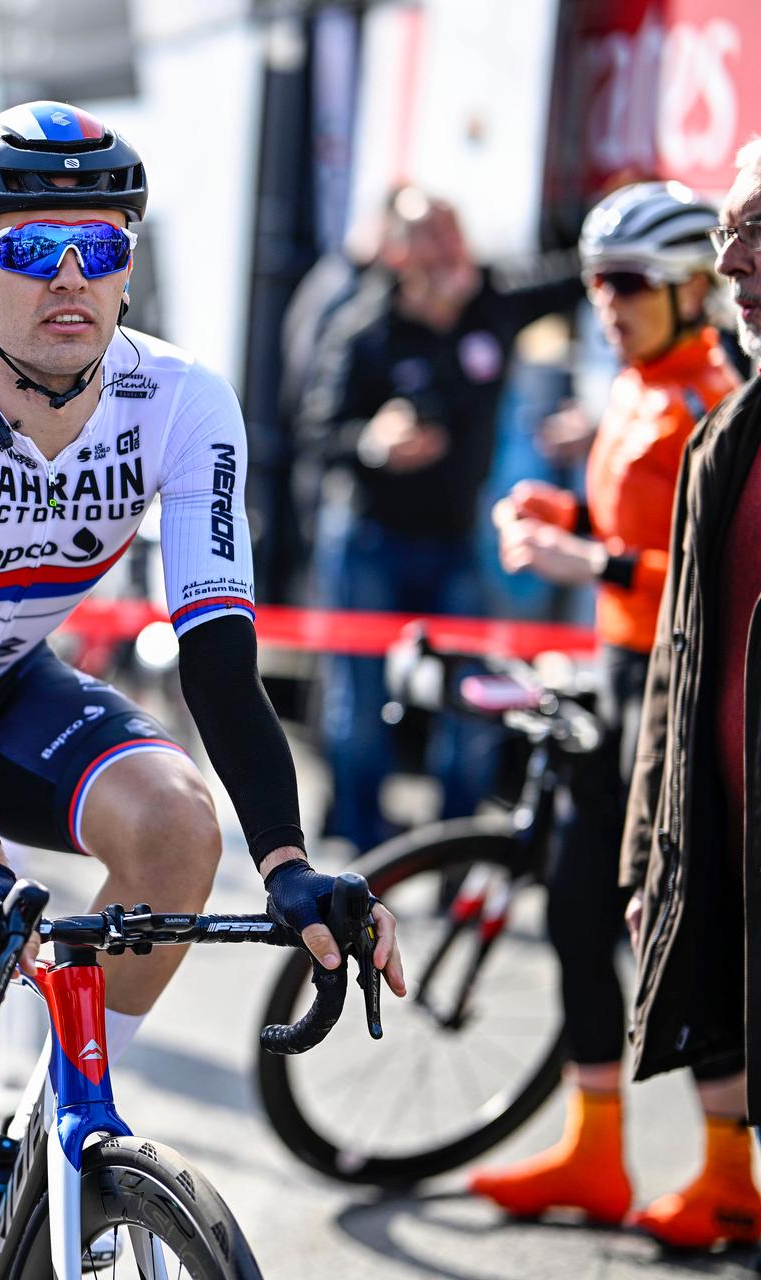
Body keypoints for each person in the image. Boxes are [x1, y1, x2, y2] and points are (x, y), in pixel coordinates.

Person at [0, 101, 406, 1279]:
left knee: (177, 827)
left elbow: (217, 655)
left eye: (100, 247)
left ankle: (49, 1124)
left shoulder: (185, 401)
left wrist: (292, 861)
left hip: (2, 678)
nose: (71, 278)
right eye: (31, 249)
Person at [473, 180, 754, 1237]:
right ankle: (596, 1149)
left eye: (630, 283)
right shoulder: (637, 384)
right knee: (578, 909)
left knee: (673, 919)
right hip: (611, 671)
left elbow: (705, 564)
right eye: (597, 282)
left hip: (672, 683)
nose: (607, 301)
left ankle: (730, 1167)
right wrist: (569, 513)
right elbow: (633, 518)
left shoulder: (709, 393)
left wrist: (579, 554)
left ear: (693, 289)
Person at [300, 188, 585, 851]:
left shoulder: (492, 303)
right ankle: (363, 847)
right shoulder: (365, 329)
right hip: (371, 538)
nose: (449, 247)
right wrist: (373, 443)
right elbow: (318, 432)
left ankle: (458, 844)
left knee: (473, 700)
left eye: (453, 230)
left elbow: (576, 278)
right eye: (429, 235)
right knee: (360, 705)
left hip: (455, 538)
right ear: (398, 252)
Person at [618, 138, 761, 1252]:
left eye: (757, 232)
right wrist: (651, 854)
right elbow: (681, 658)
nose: (734, 261)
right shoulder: (729, 434)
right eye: (728, 234)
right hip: (725, 835)